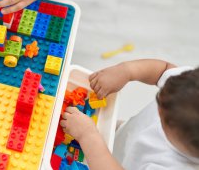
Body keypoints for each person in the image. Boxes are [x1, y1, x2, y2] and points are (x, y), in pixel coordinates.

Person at [60, 59, 199, 170]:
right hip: (122, 135)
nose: (158, 107)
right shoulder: (188, 86)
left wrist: (87, 135)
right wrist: (127, 70)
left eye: (164, 119)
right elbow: (164, 69)